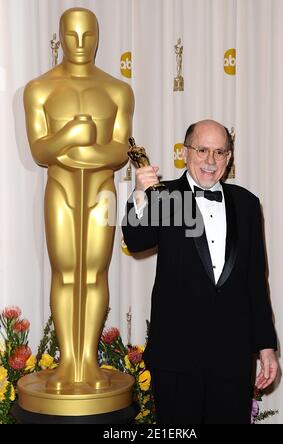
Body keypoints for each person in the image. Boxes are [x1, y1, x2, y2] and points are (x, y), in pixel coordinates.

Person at [122, 120, 278, 424]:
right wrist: (140, 194)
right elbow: (137, 241)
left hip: (232, 358)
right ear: (184, 152)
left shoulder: (247, 204)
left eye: (220, 152)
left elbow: (255, 281)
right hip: (176, 357)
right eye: (203, 150)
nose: (210, 160)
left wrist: (266, 345)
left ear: (229, 158)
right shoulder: (163, 195)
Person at [24, 7, 134, 391]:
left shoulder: (118, 90)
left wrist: (80, 154)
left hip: (102, 190)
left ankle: (88, 358)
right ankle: (68, 360)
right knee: (65, 271)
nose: (81, 44)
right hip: (61, 189)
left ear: (98, 36)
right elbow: (40, 151)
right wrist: (71, 134)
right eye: (72, 35)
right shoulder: (40, 89)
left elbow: (120, 151)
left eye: (88, 35)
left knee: (96, 271)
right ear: (60, 36)